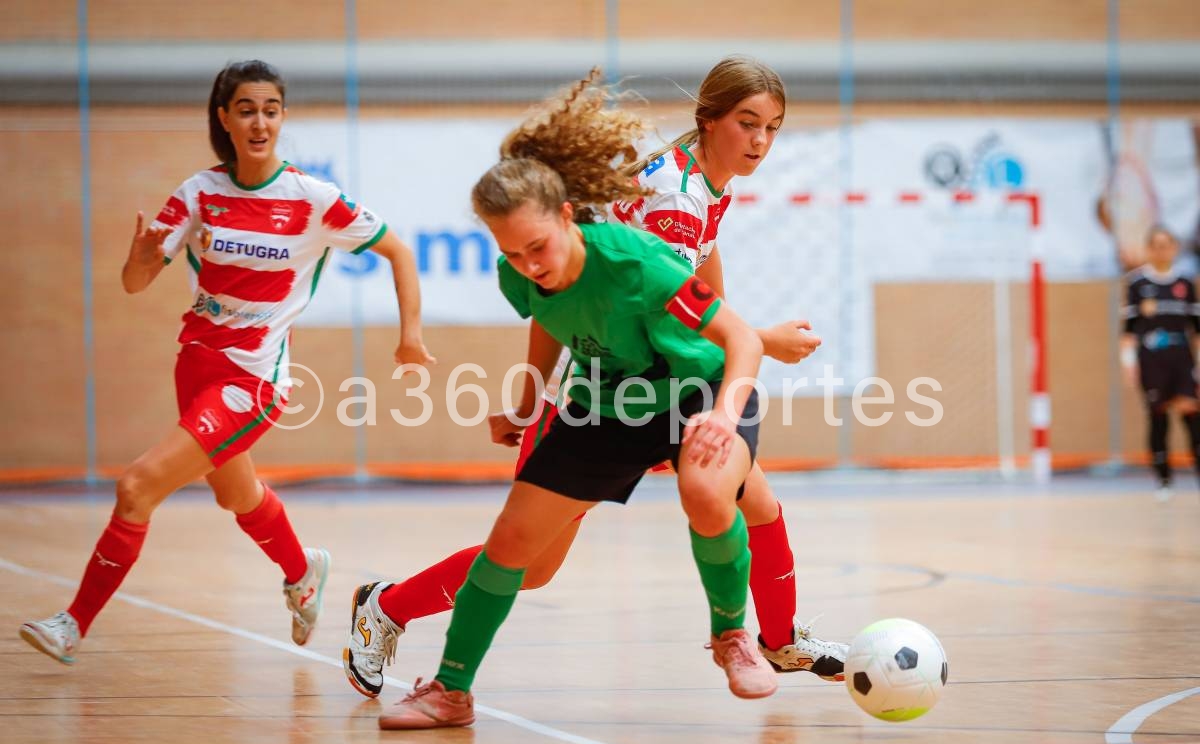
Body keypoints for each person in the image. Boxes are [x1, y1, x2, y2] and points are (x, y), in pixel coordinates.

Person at [342, 57, 845, 704]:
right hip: (617, 388)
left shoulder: (700, 182)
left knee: (751, 500)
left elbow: (700, 270)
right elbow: (647, 304)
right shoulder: (673, 202)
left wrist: (732, 335)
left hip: (667, 384)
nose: (760, 141)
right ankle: (389, 605)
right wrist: (760, 340)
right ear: (709, 119)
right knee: (531, 564)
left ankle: (774, 640)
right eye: (747, 124)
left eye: (772, 127)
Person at [18, 60, 433, 664]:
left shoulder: (312, 198)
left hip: (252, 381)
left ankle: (72, 624)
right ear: (225, 119)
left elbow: (398, 250)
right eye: (246, 110)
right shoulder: (199, 192)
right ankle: (302, 570)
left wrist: (410, 336)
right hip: (195, 366)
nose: (259, 121)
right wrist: (138, 259)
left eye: (270, 109)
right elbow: (134, 283)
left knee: (136, 487)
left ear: (281, 117)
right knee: (236, 496)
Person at [1120, 225, 1200, 499]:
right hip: (1151, 360)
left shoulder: (1185, 284)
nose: (1162, 250)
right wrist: (1129, 363)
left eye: (1167, 244)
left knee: (1192, 417)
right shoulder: (1137, 284)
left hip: (1182, 360)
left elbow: (1196, 330)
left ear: (1175, 249)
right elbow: (1128, 332)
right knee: (1158, 418)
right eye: (1156, 245)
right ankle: (1163, 481)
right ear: (1149, 249)